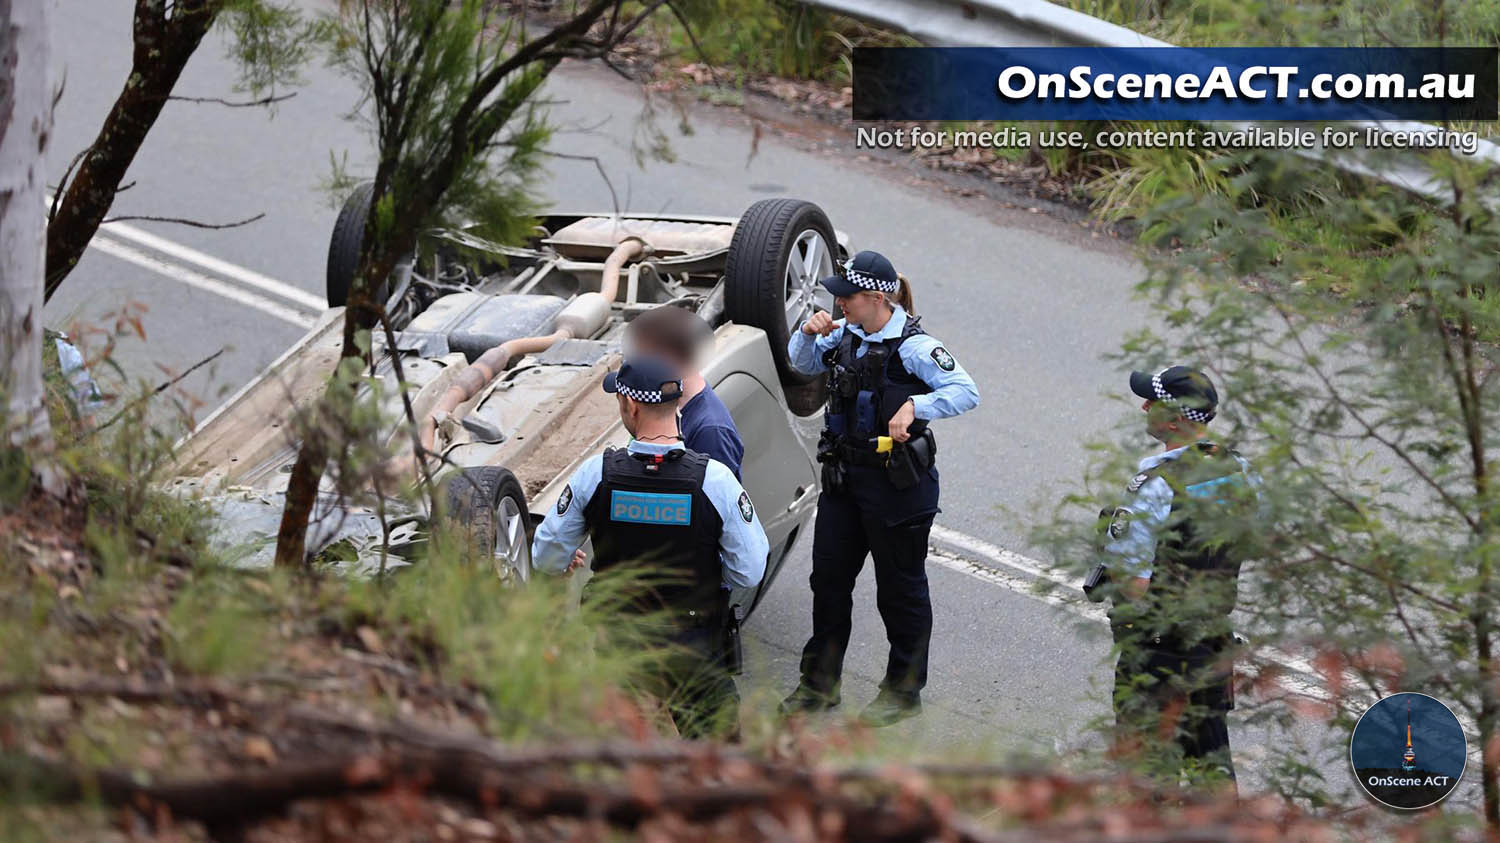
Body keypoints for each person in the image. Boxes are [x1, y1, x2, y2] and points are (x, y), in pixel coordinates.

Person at [777, 250, 980, 727]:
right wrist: (807, 334)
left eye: (845, 295)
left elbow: (966, 390)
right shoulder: (845, 335)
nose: (838, 301)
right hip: (845, 482)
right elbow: (800, 362)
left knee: (899, 591)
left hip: (897, 486)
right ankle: (818, 686)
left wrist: (916, 404)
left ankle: (903, 692)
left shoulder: (914, 347)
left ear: (874, 297)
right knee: (828, 583)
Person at [530, 355, 769, 738]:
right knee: (717, 765)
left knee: (627, 758)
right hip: (693, 644)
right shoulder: (715, 480)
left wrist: (564, 561)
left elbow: (545, 557)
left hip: (619, 647)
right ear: (676, 404)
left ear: (632, 406)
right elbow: (750, 569)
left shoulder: (596, 475)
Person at [1093, 365, 1259, 789]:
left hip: (1158, 652)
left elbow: (1135, 586)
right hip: (1212, 643)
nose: (1144, 406)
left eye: (1153, 400)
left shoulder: (1155, 487)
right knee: (1212, 763)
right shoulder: (1239, 470)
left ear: (1175, 419)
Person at [625, 304, 744, 478]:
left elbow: (717, 500)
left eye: (643, 357)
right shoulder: (667, 406)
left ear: (668, 358)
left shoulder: (711, 431)